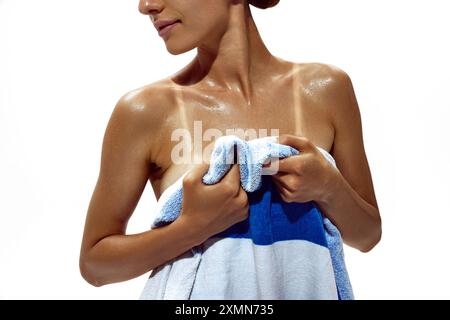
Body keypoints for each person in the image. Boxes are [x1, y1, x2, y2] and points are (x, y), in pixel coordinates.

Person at [79, 0, 382, 288]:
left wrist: (329, 187)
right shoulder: (145, 111)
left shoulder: (326, 90)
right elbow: (95, 264)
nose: (145, 6)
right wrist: (191, 229)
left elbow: (367, 235)